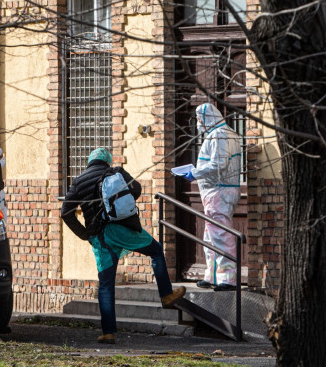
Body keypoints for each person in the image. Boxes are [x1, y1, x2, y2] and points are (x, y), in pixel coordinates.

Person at [61, 148, 186, 344]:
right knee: (155, 251)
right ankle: (166, 295)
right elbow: (136, 189)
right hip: (125, 229)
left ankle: (108, 332)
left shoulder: (78, 182)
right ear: (107, 161)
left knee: (106, 284)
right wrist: (118, 205)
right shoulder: (116, 172)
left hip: (100, 237)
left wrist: (85, 234)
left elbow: (66, 213)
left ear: (89, 161)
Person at [182, 103, 241, 292]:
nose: (199, 123)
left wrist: (196, 173)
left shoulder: (219, 134)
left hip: (219, 191)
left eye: (200, 119)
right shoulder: (226, 132)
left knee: (221, 235)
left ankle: (228, 279)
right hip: (217, 191)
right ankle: (213, 274)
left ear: (207, 118)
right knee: (210, 236)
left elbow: (218, 164)